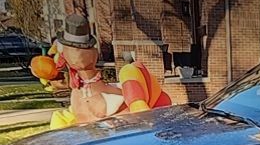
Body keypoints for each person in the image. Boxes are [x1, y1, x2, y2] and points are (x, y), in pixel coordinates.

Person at [30, 14, 171, 129]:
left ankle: (137, 102)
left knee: (129, 71)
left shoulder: (93, 92)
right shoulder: (77, 94)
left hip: (137, 124)